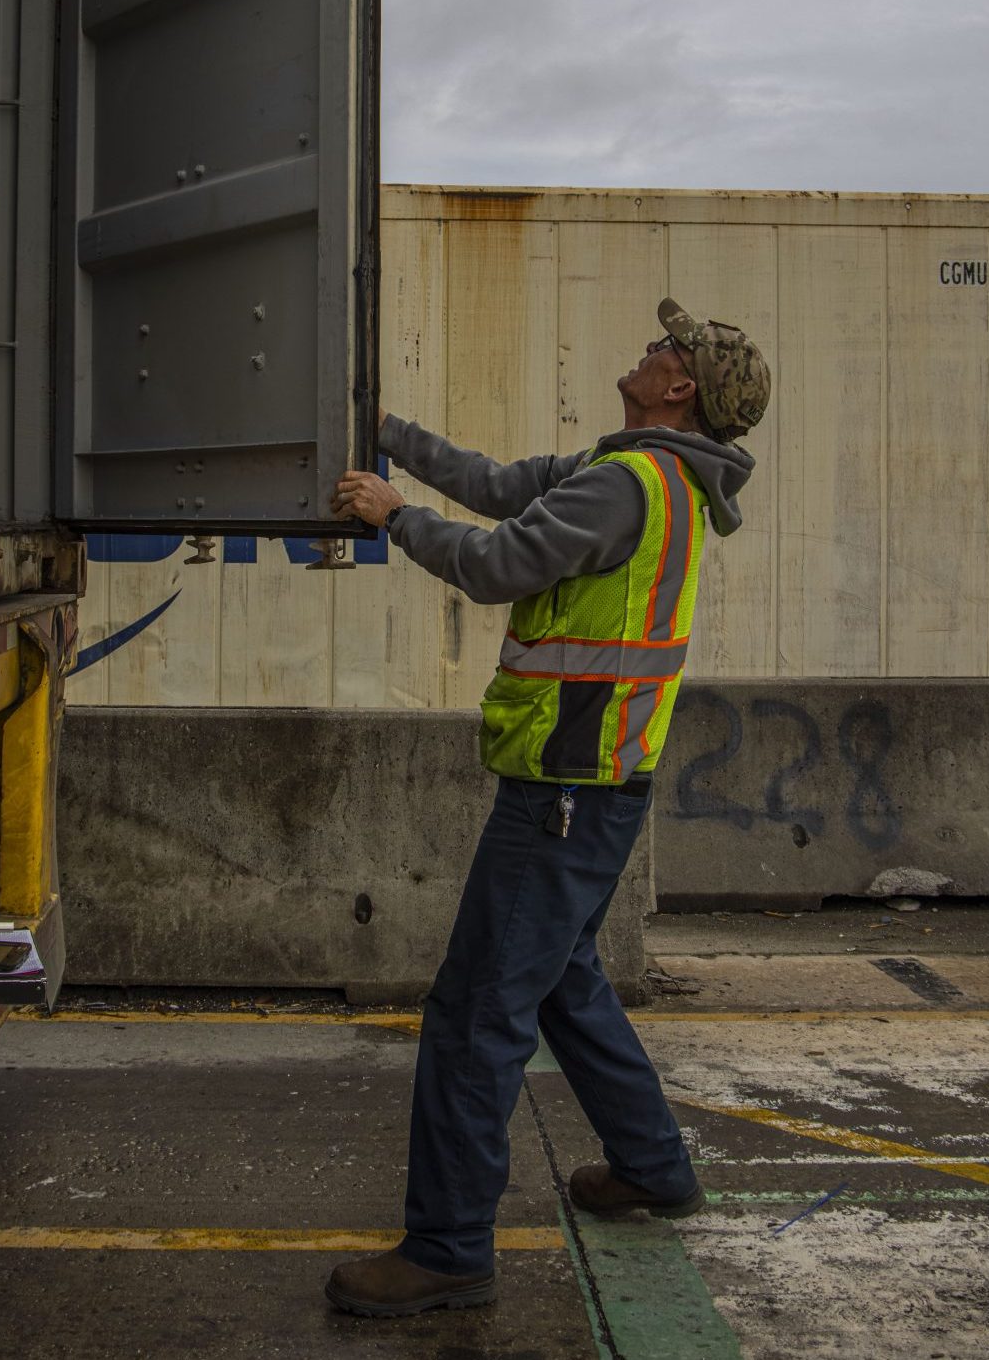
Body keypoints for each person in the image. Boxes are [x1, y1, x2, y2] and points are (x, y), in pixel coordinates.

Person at [323, 297, 771, 1318]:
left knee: (477, 1010)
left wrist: (392, 516)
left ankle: (446, 1247)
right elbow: (490, 486)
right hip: (596, 779)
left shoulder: (629, 485)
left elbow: (495, 564)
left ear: (679, 387)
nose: (649, 345)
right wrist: (385, 433)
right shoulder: (627, 475)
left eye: (665, 345)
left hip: (563, 788)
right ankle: (652, 1165)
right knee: (564, 979)